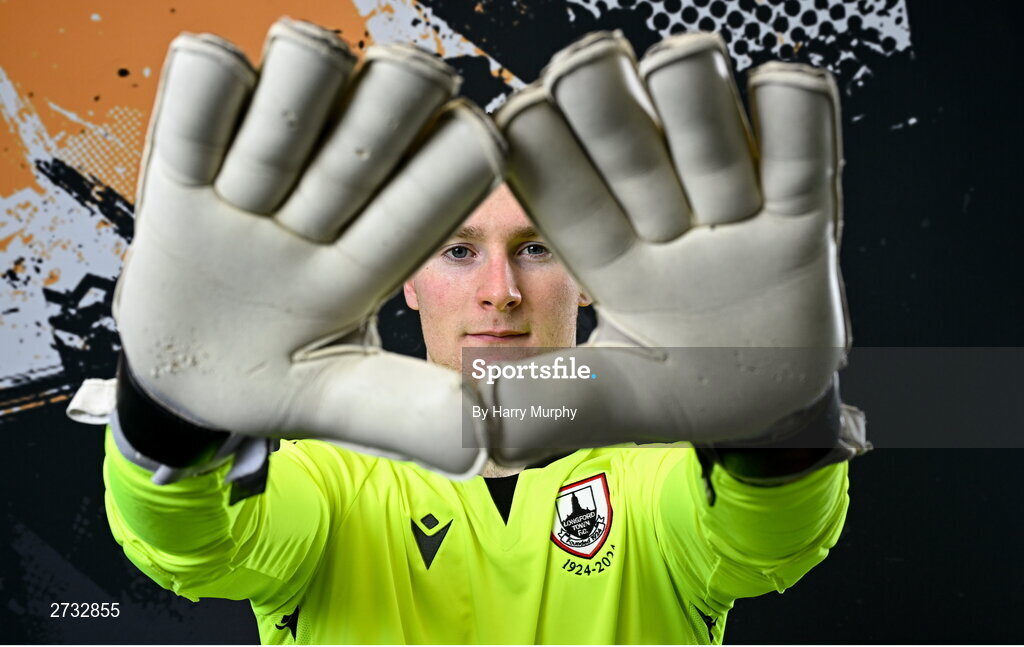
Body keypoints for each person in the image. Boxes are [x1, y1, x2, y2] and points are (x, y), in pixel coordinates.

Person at [75, 18, 867, 645]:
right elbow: (192, 544)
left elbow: (770, 538)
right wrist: (169, 404)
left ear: (593, 273)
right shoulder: (327, 482)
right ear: (405, 278)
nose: (501, 293)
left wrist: (778, 410)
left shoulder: (656, 473)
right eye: (459, 251)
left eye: (536, 249)